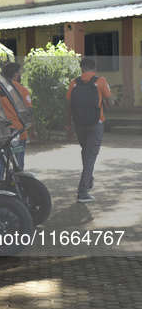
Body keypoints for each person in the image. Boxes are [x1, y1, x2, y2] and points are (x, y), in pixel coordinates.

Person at [65, 58, 113, 203]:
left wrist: (68, 127)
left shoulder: (74, 82)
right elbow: (111, 104)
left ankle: (89, 180)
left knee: (86, 152)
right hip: (96, 124)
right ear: (95, 69)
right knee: (90, 156)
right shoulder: (101, 81)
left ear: (81, 69)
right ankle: (82, 191)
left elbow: (68, 107)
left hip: (79, 124)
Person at [0, 62, 37, 184]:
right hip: (19, 133)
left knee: (1, 161)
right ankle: (17, 187)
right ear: (15, 75)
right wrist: (32, 130)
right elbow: (29, 113)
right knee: (17, 163)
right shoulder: (22, 91)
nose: (20, 74)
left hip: (1, 132)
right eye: (19, 72)